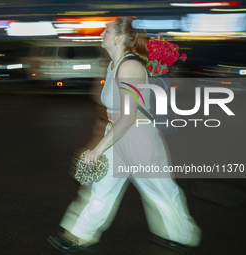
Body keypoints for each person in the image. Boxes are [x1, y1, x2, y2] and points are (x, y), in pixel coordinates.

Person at [48, 17, 201, 254]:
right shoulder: (112, 65)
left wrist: (98, 148)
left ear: (118, 38)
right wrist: (98, 139)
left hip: (139, 137)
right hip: (116, 134)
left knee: (159, 189)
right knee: (100, 188)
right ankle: (78, 235)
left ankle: (181, 235)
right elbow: (111, 112)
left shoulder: (129, 67)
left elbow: (128, 117)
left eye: (106, 31)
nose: (102, 34)